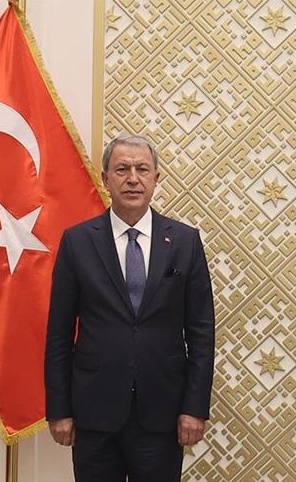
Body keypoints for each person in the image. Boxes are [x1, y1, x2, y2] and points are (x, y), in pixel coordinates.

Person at [44, 134, 215, 481]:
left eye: (142, 169)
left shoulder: (184, 241)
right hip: (93, 413)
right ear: (106, 178)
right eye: (122, 169)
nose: (133, 178)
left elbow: (201, 333)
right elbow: (59, 334)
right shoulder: (77, 242)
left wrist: (194, 408)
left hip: (162, 414)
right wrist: (59, 409)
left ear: (156, 177)